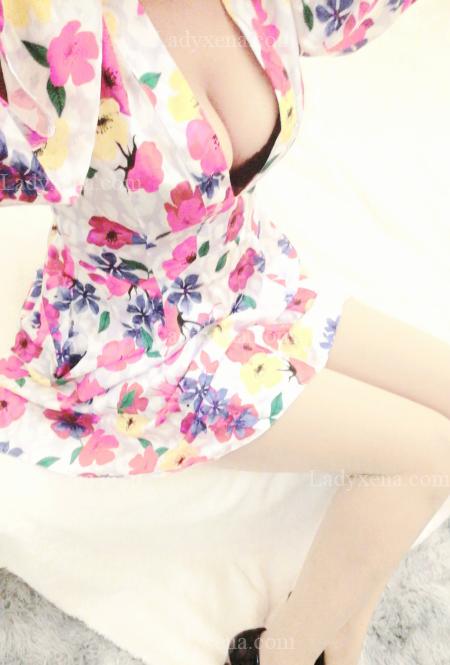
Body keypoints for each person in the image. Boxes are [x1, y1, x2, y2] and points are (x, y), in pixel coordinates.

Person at [0, 1, 448, 664]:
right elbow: (25, 147)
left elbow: (336, 15)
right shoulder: (53, 25)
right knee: (430, 452)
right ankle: (283, 652)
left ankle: (338, 635)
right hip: (133, 339)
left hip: (245, 272)